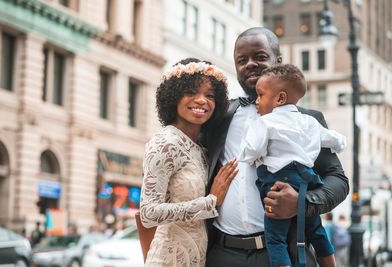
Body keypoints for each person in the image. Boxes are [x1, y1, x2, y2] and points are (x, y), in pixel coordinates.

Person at [203, 27, 349, 267]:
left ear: (277, 61)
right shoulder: (219, 116)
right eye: (242, 60)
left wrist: (302, 202)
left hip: (282, 253)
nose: (250, 64)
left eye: (260, 57)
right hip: (221, 253)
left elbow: (339, 181)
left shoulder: (306, 120)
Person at [238, 64, 346, 267]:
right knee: (317, 231)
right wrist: (342, 143)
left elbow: (251, 151)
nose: (257, 101)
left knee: (275, 237)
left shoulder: (266, 122)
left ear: (279, 98)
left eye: (260, 95)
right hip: (307, 180)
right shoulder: (310, 122)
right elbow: (334, 140)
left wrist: (248, 154)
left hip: (279, 183)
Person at [139, 57, 238, 266]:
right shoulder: (164, 143)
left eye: (210, 95)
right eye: (191, 92)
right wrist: (211, 201)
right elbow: (148, 214)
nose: (202, 100)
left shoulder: (202, 148)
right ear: (173, 97)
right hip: (168, 259)